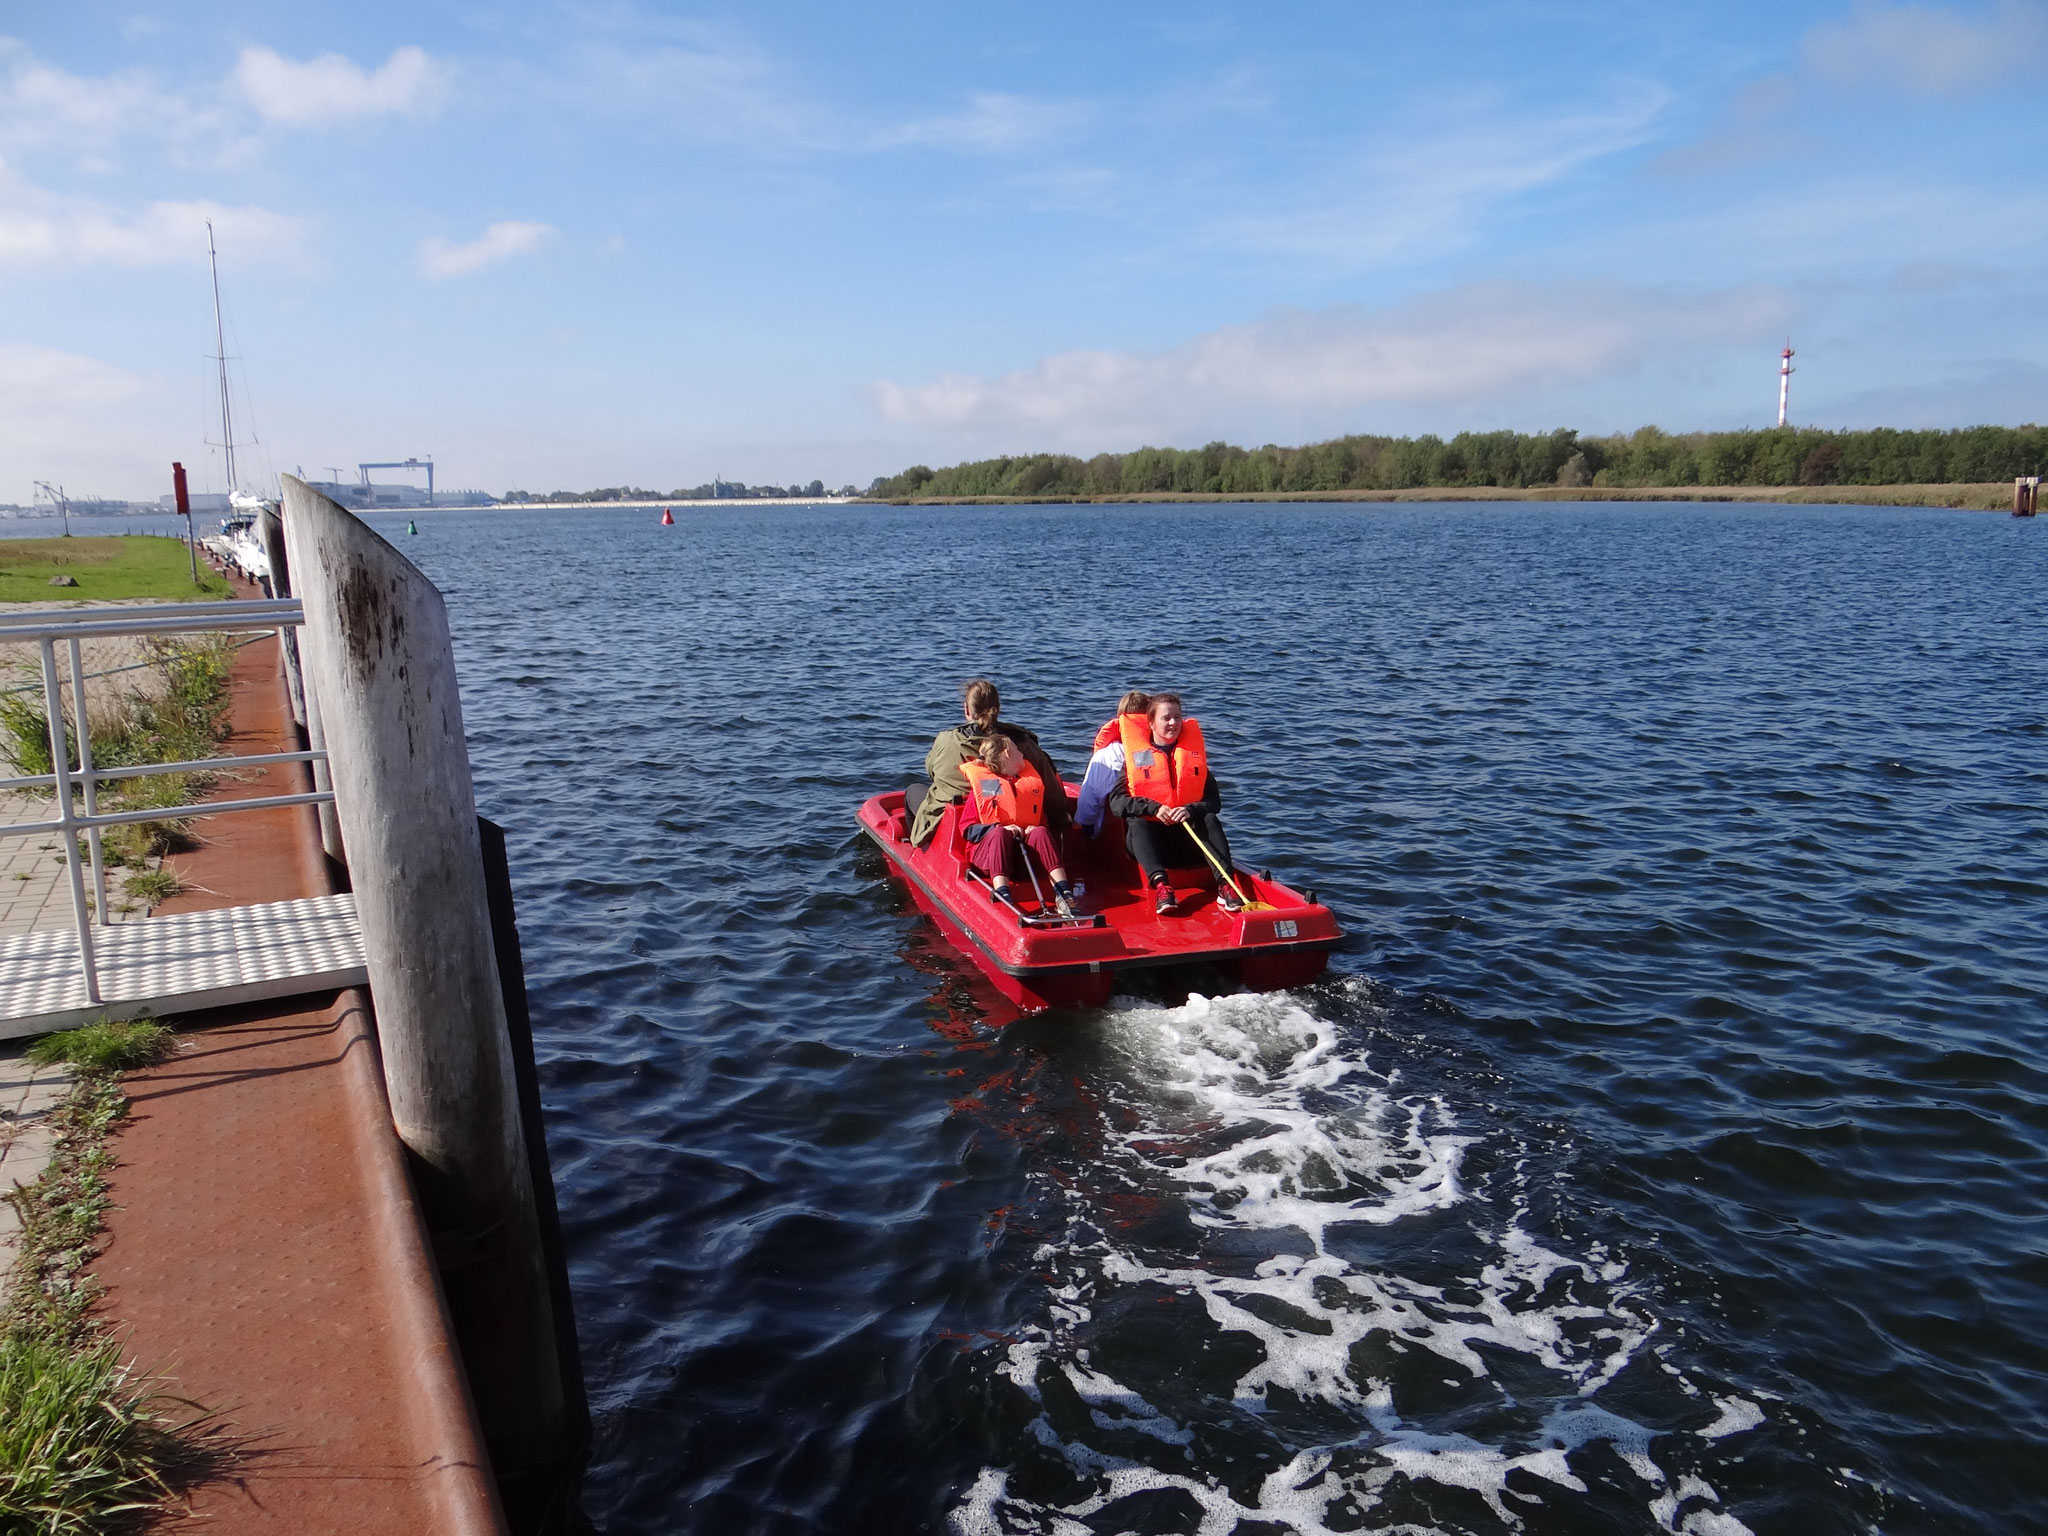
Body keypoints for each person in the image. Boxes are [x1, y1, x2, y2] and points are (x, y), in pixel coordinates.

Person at [1107, 693, 1241, 916]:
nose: (1173, 723)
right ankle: (1162, 888)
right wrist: (1154, 808)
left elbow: (1213, 802)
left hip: (1188, 842)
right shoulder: (1135, 760)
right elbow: (1117, 803)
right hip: (1153, 846)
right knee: (1136, 820)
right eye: (1166, 718)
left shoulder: (1193, 758)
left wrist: (1189, 810)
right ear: (1151, 723)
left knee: (1208, 818)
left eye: (1178, 717)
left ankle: (1226, 884)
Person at [911, 678, 1069, 848]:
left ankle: (916, 849)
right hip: (1018, 822)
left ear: (966, 709)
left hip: (955, 821)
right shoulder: (1024, 742)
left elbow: (932, 771)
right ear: (997, 709)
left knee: (913, 792)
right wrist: (1062, 821)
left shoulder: (946, 740)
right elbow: (1051, 791)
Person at [958, 731, 1079, 916]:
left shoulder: (1029, 785)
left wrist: (1034, 828)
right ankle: (1002, 892)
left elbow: (1042, 822)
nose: (1022, 754)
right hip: (991, 856)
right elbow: (967, 829)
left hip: (1024, 858)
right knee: (999, 834)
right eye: (1017, 750)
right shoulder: (984, 787)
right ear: (1007, 754)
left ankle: (1064, 892)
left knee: (1040, 832)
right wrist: (999, 828)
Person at [1076, 690, 1151, 836]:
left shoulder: (1105, 756)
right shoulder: (1160, 752)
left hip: (1113, 835)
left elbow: (1088, 803)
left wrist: (1085, 827)